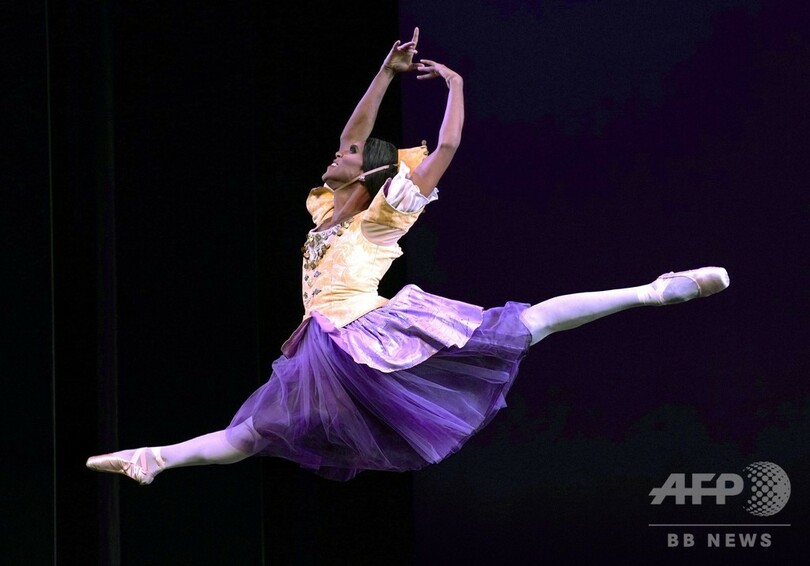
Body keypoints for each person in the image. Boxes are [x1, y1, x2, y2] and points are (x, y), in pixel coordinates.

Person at [87, 28, 729, 484]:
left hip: (371, 329)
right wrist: (387, 72)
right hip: (322, 346)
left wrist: (455, 86)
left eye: (346, 156)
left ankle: (655, 290)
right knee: (256, 433)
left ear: (366, 173)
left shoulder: (383, 214)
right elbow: (355, 133)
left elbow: (445, 149)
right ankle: (155, 458)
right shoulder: (324, 210)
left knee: (526, 325)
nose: (337, 151)